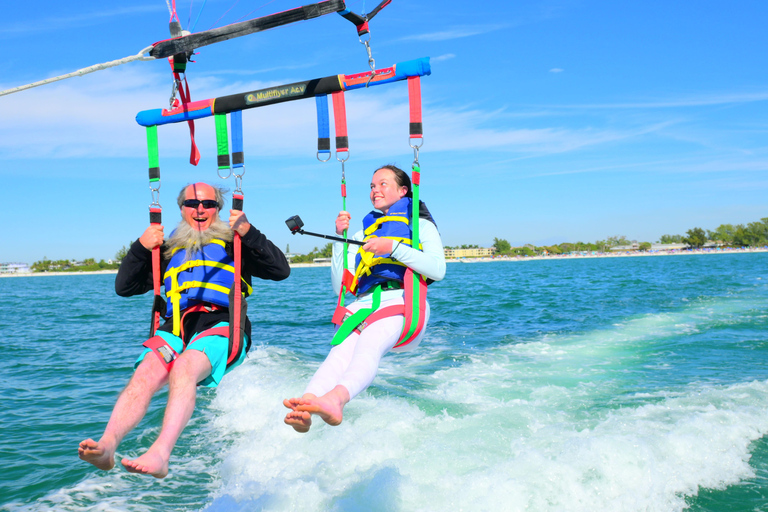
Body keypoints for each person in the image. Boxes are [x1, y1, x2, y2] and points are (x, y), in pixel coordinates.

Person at [78, 182, 290, 478]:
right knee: (146, 373)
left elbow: (281, 270)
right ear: (182, 209)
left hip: (223, 323)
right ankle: (108, 446)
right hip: (176, 325)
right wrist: (140, 247)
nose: (199, 209)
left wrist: (249, 231)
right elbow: (124, 288)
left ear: (218, 208)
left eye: (208, 204)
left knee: (185, 367)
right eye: (191, 203)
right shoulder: (167, 249)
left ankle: (161, 454)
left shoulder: (235, 241)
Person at [283, 165, 445, 432]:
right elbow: (340, 287)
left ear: (403, 190)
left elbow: (438, 270)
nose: (375, 190)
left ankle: (336, 400)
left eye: (383, 184)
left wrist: (392, 247)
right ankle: (307, 404)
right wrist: (339, 241)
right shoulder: (360, 235)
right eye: (372, 186)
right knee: (338, 355)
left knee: (367, 346)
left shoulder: (421, 226)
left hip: (402, 301)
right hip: (362, 305)